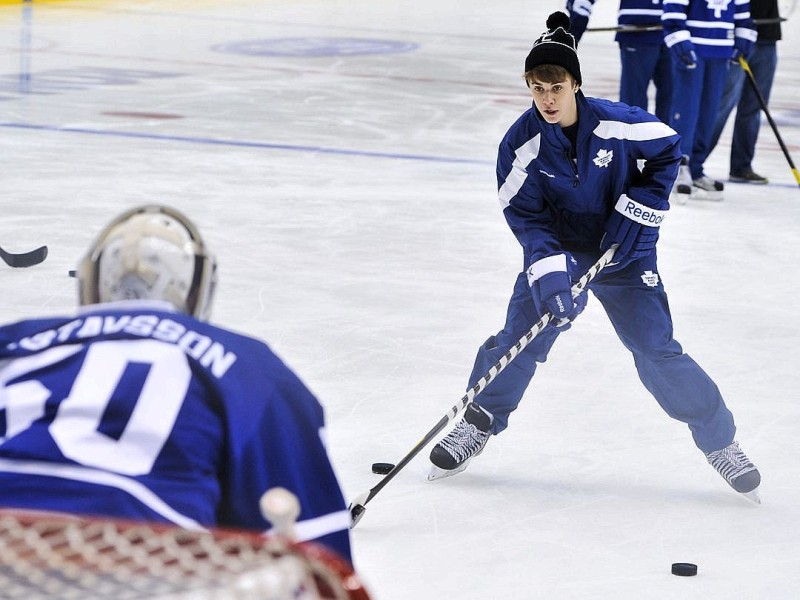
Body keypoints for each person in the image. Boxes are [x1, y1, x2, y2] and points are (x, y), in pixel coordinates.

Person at [428, 12, 761, 504]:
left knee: (655, 348)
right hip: (561, 254)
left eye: (556, 86)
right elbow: (527, 220)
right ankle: (477, 422)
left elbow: (670, 151)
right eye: (536, 87)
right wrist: (548, 274)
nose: (546, 98)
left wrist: (642, 209)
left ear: (575, 84)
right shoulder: (520, 148)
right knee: (522, 337)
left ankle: (720, 442)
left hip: (624, 253)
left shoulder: (619, 124)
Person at [0, 204, 353, 561]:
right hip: (140, 562)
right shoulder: (249, 366)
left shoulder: (14, 342)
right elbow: (318, 556)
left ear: (90, 282)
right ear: (198, 290)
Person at [663, 0, 757, 200]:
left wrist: (743, 43)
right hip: (693, 52)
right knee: (686, 111)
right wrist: (681, 46)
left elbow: (743, 16)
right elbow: (672, 13)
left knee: (709, 113)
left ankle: (696, 168)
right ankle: (679, 168)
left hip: (720, 54)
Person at [702, 0, 782, 184]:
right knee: (721, 104)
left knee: (754, 106)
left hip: (767, 37)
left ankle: (741, 166)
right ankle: (691, 164)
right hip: (735, 37)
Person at [566, 0, 672, 123]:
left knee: (675, 101)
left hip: (675, 33)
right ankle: (631, 139)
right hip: (637, 33)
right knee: (634, 101)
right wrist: (581, 10)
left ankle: (670, 141)